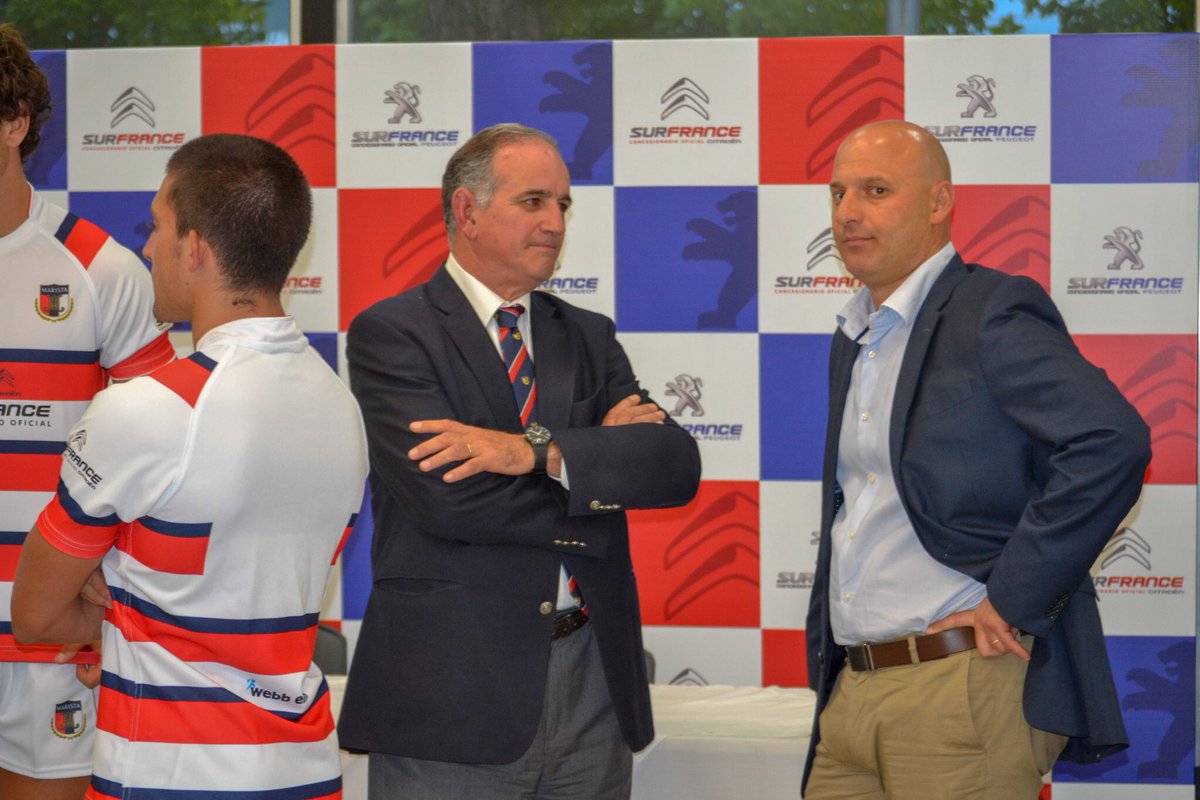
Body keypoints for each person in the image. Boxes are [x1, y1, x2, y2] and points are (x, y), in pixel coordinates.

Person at [339, 122, 702, 799]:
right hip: (452, 694)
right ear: (467, 212)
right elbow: (447, 499)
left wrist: (534, 450)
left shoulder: (588, 336)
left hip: (592, 683)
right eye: (533, 201)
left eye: (563, 204)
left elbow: (673, 467)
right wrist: (595, 474)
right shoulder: (392, 333)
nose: (555, 222)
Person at [11, 133, 369, 799]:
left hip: (167, 777)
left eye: (159, 226)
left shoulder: (144, 411)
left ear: (195, 248)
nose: (146, 246)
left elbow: (33, 614)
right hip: (306, 774)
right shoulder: (341, 408)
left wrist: (118, 607)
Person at [804, 120, 1151, 799]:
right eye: (838, 193)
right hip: (850, 695)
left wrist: (1010, 599)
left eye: (876, 190)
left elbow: (1112, 441)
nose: (848, 213)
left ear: (939, 204)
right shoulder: (855, 335)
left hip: (958, 688)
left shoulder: (990, 310)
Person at [0, 23, 175, 800]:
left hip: (50, 640)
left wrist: (124, 609)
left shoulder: (102, 268)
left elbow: (161, 456)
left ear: (15, 123)